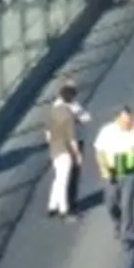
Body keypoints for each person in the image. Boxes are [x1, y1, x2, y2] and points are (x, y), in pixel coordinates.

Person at [95, 107, 134, 239]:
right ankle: (118, 222)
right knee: (111, 202)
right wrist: (104, 168)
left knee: (127, 201)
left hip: (129, 167)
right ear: (117, 119)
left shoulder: (133, 131)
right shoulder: (107, 131)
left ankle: (127, 232)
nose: (127, 123)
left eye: (129, 120)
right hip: (112, 168)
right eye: (125, 120)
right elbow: (99, 151)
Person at [45, 82, 85, 219]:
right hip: (65, 150)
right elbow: (72, 137)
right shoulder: (68, 114)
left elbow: (47, 132)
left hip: (54, 149)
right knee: (64, 180)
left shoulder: (54, 110)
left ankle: (52, 206)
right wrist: (77, 154)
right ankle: (64, 209)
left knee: (57, 178)